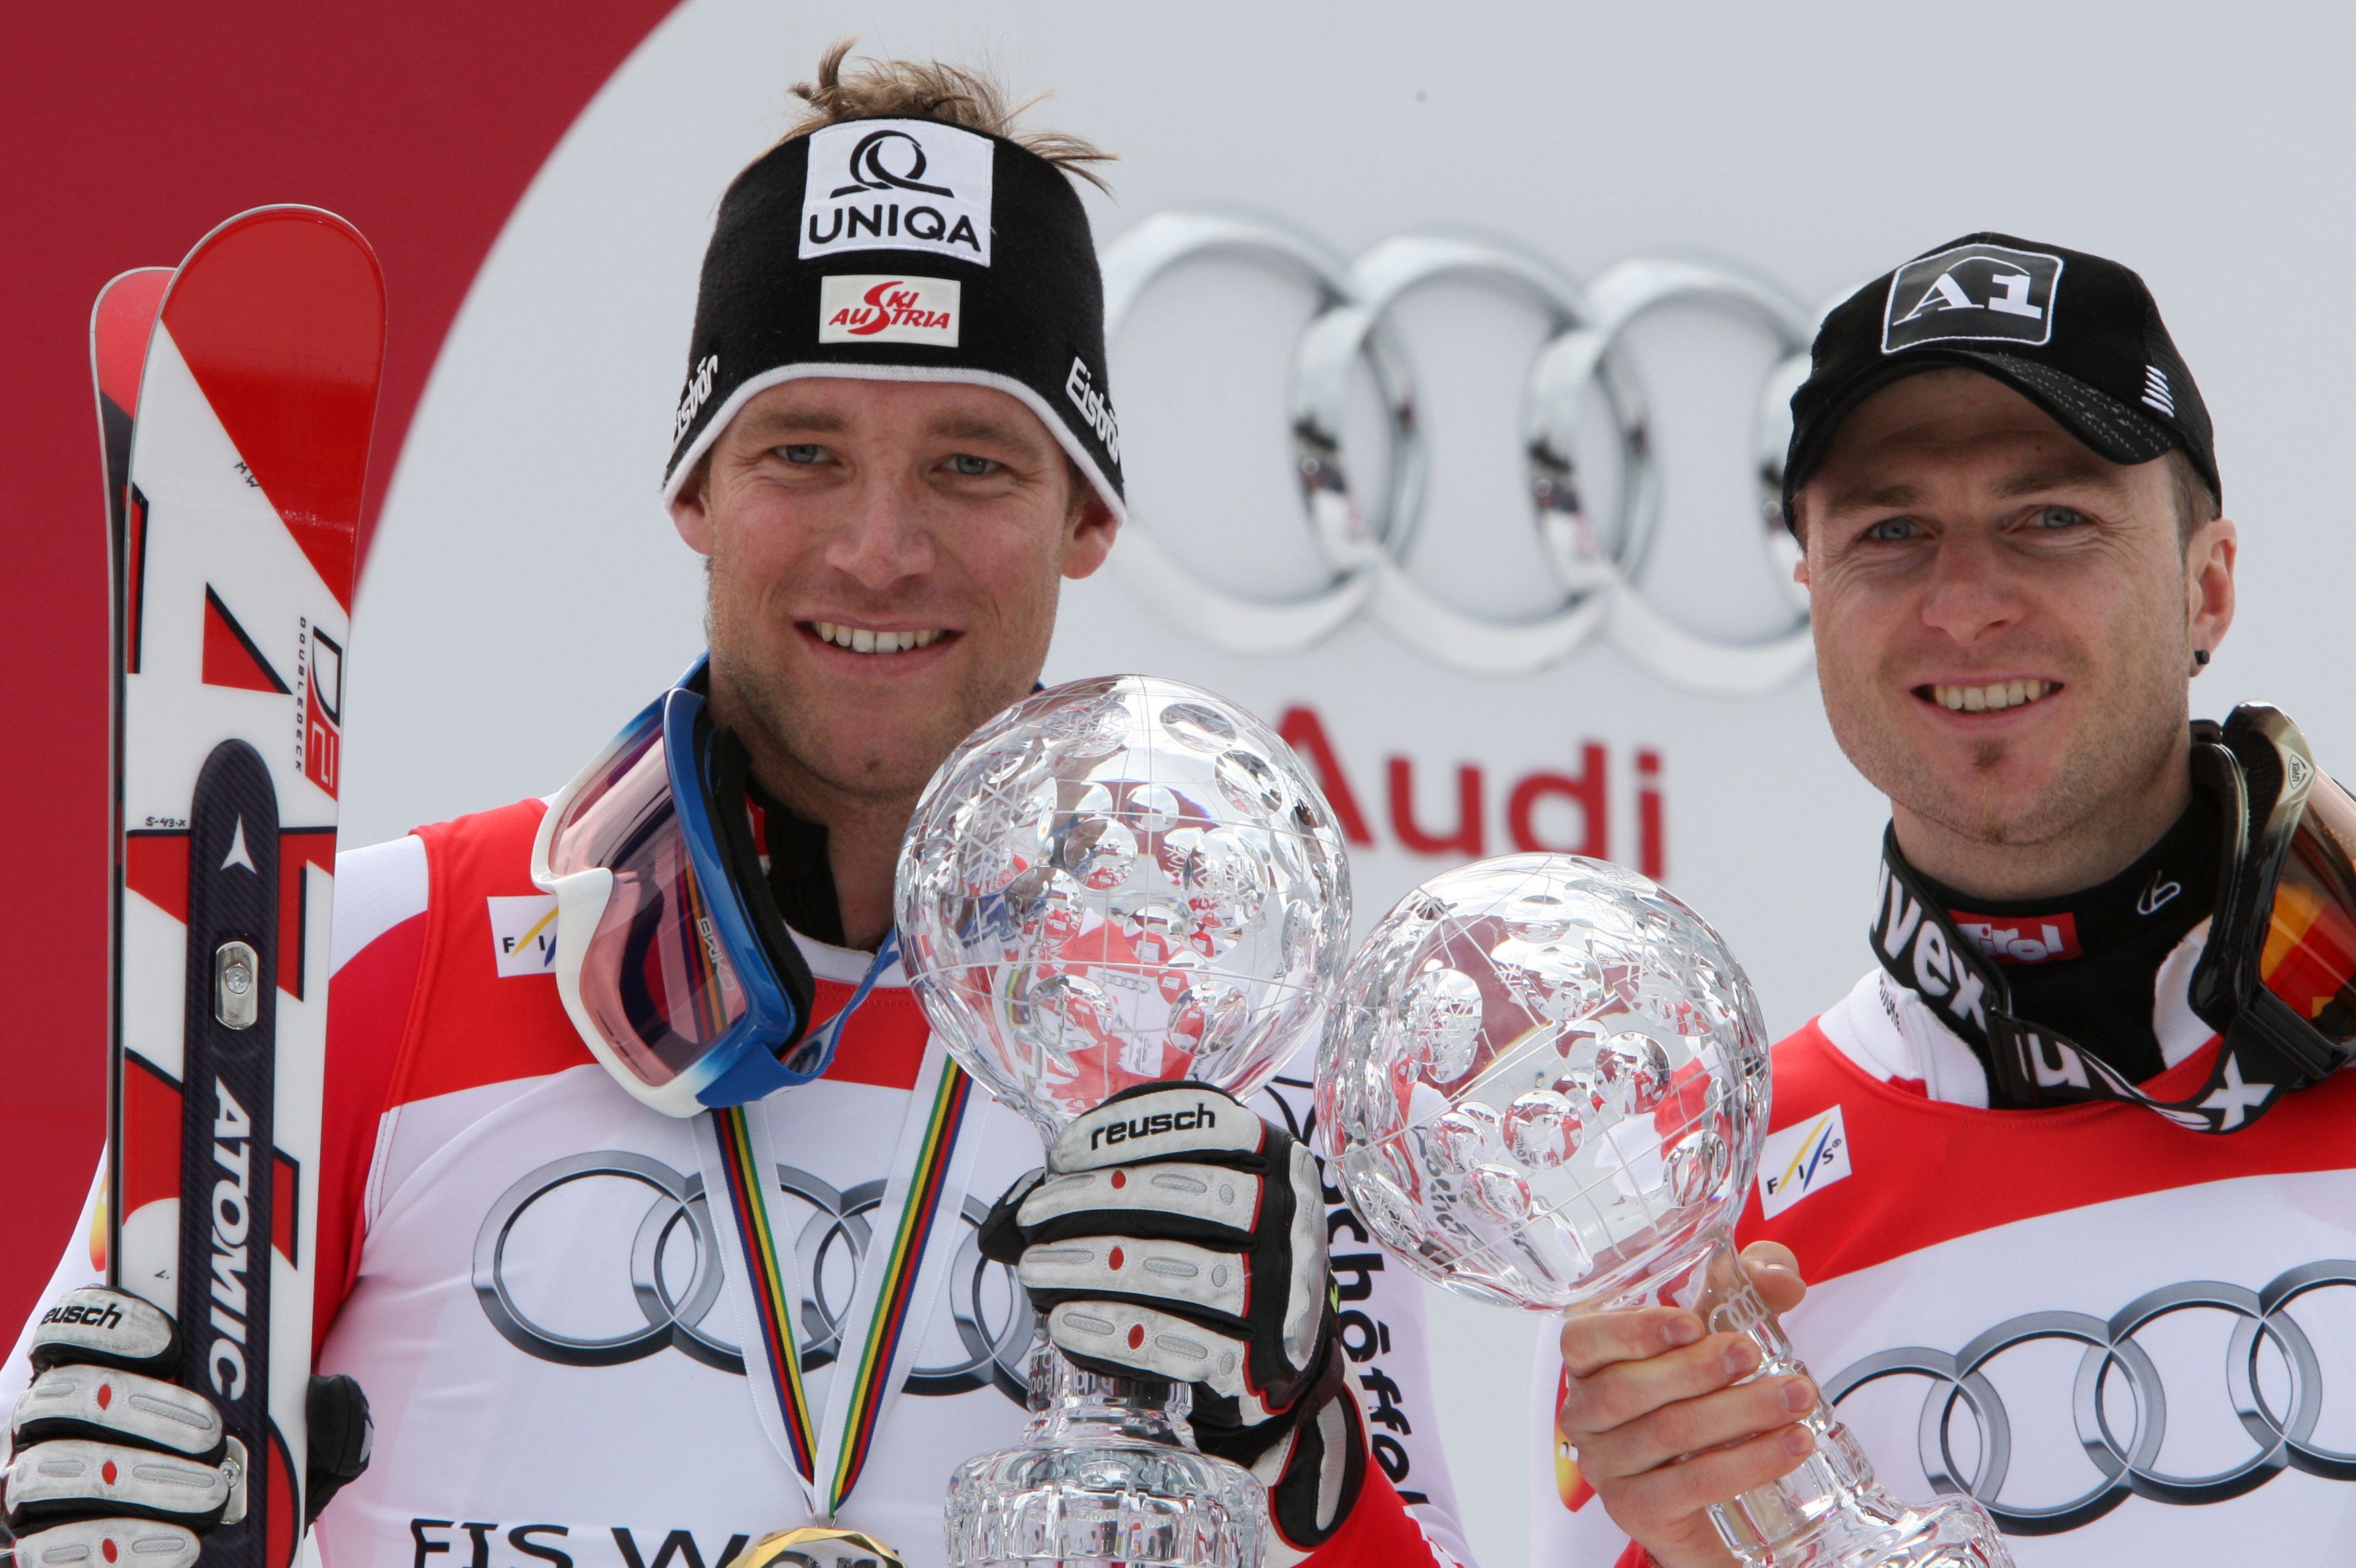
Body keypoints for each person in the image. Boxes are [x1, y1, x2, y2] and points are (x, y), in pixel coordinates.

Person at [1, 45, 1471, 1568]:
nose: (880, 547)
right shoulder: (360, 957)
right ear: (696, 490)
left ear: (1087, 516)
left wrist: (1305, 1474)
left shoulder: (1243, 1056)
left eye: (971, 462)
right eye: (803, 453)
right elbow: (58, 1471)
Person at [1533, 233, 2356, 1567]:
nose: (1962, 603)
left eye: (2047, 517)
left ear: (2205, 582)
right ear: (1812, 593)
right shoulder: (1697, 1221)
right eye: (1890, 531)